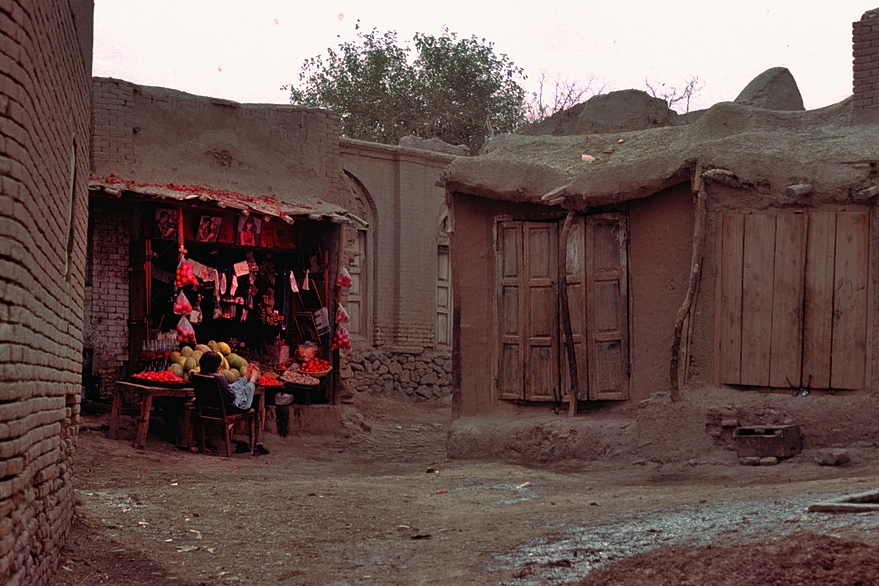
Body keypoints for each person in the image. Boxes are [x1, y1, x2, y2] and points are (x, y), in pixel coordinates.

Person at [200, 351, 270, 455]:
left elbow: (229, 389)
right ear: (218, 367)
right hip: (228, 409)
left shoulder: (199, 376)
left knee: (233, 387)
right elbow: (232, 395)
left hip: (208, 409)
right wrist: (250, 382)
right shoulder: (219, 378)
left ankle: (246, 377)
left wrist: (239, 383)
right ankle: (252, 379)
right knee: (243, 391)